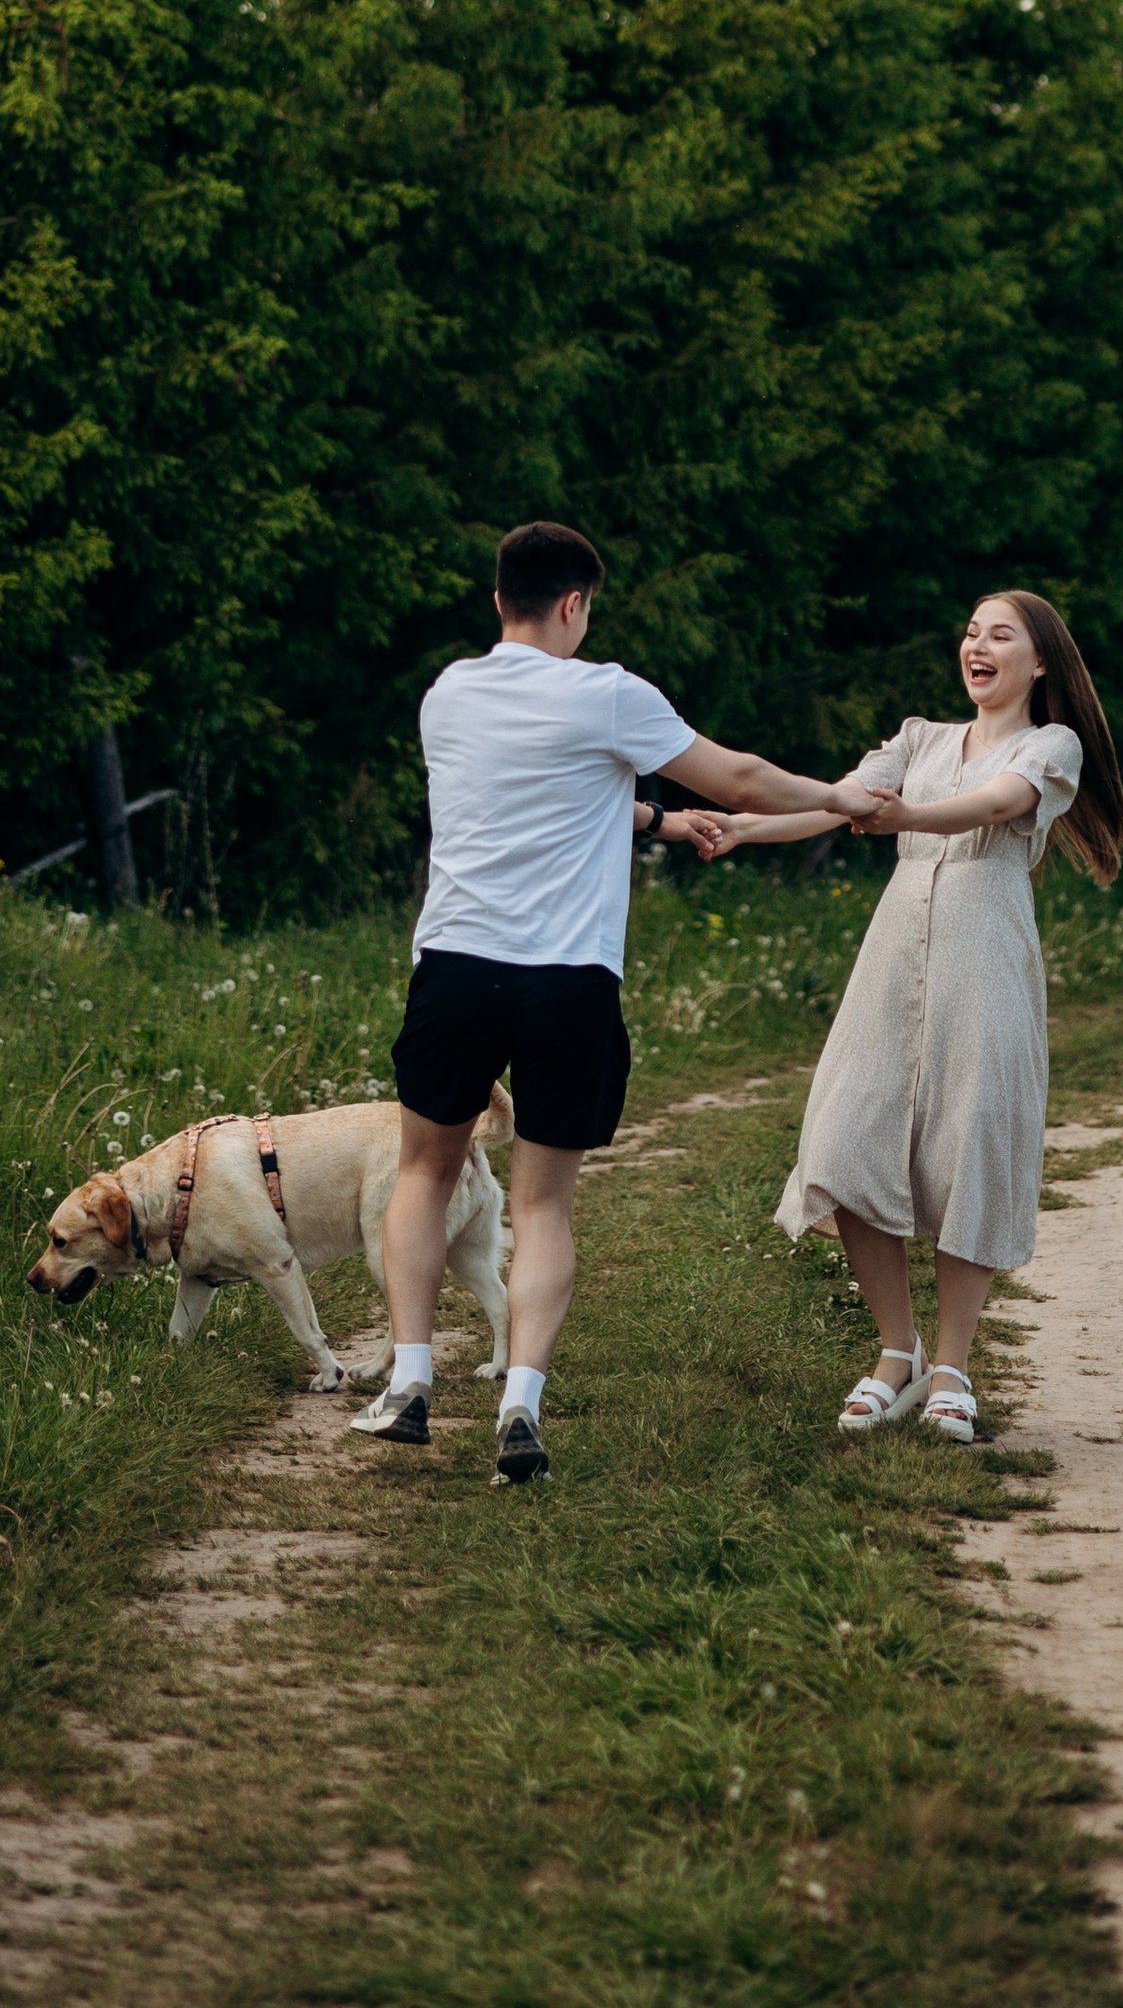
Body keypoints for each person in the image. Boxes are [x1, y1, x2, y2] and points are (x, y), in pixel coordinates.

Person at [351, 517, 888, 1482]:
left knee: (424, 1174)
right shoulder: (608, 694)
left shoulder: (449, 694)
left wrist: (656, 822)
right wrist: (845, 798)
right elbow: (745, 778)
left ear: (497, 600)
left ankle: (412, 1380)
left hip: (458, 969)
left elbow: (531, 791)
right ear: (574, 604)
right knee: (542, 1203)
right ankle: (520, 1402)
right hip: (567, 984)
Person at [713, 588, 1123, 1443]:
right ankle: (895, 1353)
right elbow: (838, 799)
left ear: (1040, 661)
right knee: (845, 1138)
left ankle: (951, 1366)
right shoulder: (918, 739)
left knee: (970, 1146)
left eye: (1001, 635)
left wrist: (907, 816)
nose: (977, 646)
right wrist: (743, 829)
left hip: (987, 962)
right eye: (971, 633)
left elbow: (992, 806)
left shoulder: (1051, 745)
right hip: (893, 958)